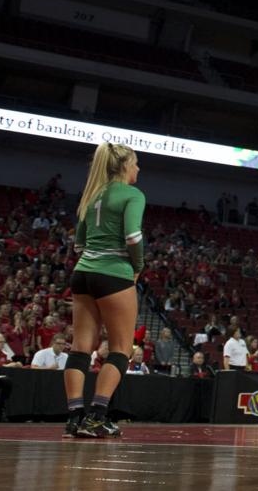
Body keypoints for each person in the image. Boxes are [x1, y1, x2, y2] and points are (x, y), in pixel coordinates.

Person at [64, 143, 145, 439]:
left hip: (82, 273)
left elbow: (79, 245)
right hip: (114, 274)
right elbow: (133, 236)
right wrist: (138, 266)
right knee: (122, 348)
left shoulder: (92, 194)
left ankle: (74, 417)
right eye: (136, 163)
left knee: (80, 347)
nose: (138, 169)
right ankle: (97, 417)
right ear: (124, 166)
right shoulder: (133, 194)